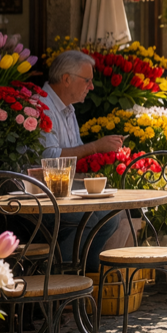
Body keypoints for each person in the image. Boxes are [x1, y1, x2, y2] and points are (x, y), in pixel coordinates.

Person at [37, 50, 125, 272]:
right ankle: (62, 278)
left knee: (111, 217)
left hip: (64, 193)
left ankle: (84, 278)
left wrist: (103, 156)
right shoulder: (42, 105)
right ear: (66, 79)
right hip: (41, 196)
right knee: (95, 216)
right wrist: (95, 146)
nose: (92, 86)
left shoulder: (68, 110)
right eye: (87, 80)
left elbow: (75, 155)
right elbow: (51, 159)